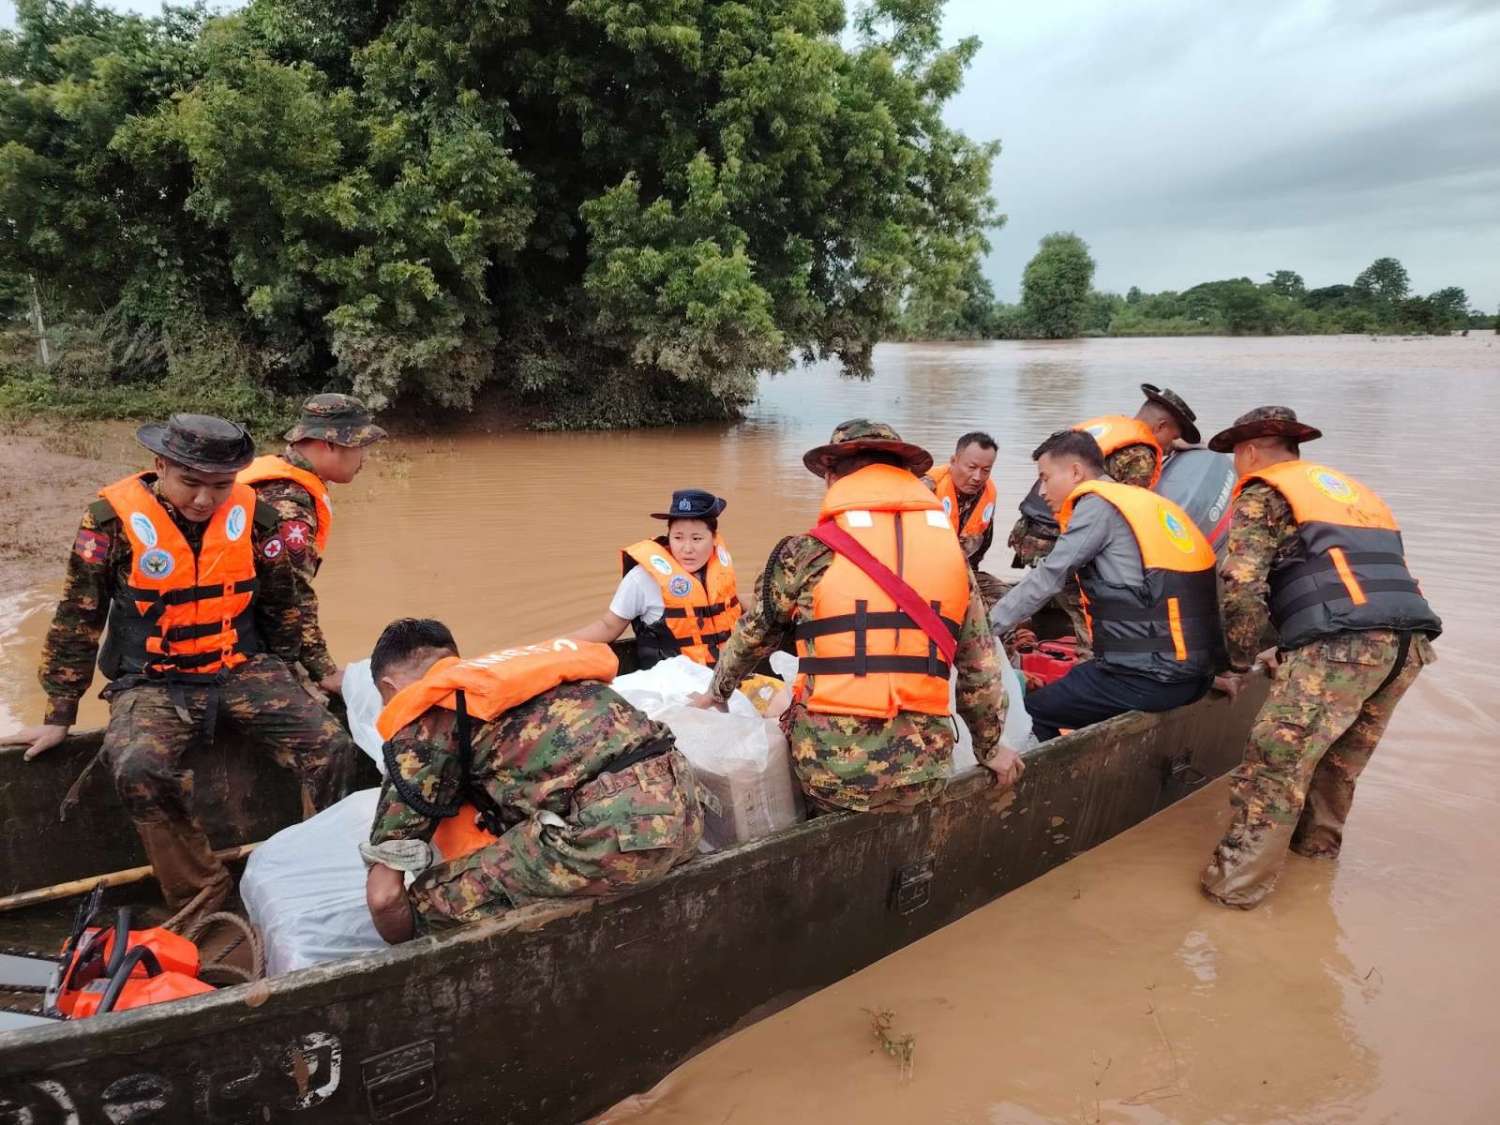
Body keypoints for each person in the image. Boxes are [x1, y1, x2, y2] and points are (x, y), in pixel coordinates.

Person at [0, 415, 353, 925]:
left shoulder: (259, 518)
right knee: (137, 767)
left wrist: (313, 673)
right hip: (152, 679)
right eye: (191, 482)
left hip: (240, 666)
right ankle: (201, 892)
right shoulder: (109, 521)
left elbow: (285, 606)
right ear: (160, 465)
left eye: (220, 485)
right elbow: (78, 617)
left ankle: (317, 865)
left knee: (331, 746)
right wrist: (59, 714)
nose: (205, 499)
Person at [687, 420, 1023, 813]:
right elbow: (981, 670)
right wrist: (988, 748)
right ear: (905, 478)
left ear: (831, 478)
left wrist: (717, 692)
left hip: (830, 774)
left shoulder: (804, 553)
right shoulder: (954, 558)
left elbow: (752, 636)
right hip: (923, 769)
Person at [1199, 407, 1441, 909]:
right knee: (1336, 767)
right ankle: (1314, 872)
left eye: (1235, 459)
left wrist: (1239, 661)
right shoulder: (1355, 495)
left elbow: (1241, 584)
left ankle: (1233, 895)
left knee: (1274, 769)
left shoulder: (1263, 491)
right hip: (1407, 648)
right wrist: (1288, 645)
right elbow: (1346, 579)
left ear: (1249, 451)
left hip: (1341, 650)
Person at [361, 619, 704, 942]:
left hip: (620, 838)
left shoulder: (424, 722)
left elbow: (384, 898)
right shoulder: (511, 675)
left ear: (390, 688)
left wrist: (400, 945)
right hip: (688, 809)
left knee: (425, 905)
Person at [990, 429, 1221, 742]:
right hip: (1196, 676)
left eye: (1045, 478)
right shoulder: (1148, 501)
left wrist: (984, 630)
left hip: (1148, 678)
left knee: (1031, 711)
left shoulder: (1097, 506)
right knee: (1077, 681)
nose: (1042, 491)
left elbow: (1048, 578)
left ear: (1075, 472)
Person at [1005, 385, 1200, 646]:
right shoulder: (1142, 455)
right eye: (1170, 437)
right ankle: (1090, 658)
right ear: (1161, 426)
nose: (1166, 448)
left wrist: (1172, 444)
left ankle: (1026, 628)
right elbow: (1128, 515)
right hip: (1057, 538)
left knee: (1049, 591)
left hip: (1030, 532)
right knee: (1091, 617)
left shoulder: (1110, 429)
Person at [238, 393, 387, 696]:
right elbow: (290, 593)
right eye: (359, 446)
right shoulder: (288, 502)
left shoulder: (274, 474)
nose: (364, 458)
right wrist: (324, 670)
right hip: (245, 646)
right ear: (329, 444)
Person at [570, 489, 740, 669]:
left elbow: (733, 602)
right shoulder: (642, 579)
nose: (687, 549)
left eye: (697, 538)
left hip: (727, 675)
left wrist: (762, 602)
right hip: (671, 681)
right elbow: (608, 627)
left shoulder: (719, 568)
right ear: (669, 536)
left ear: (713, 538)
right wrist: (554, 645)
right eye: (678, 537)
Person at [923, 432, 1005, 609]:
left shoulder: (987, 496)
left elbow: (981, 549)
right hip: (922, 575)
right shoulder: (924, 489)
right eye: (971, 467)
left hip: (963, 574)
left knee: (1010, 602)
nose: (977, 477)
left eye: (986, 470)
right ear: (954, 461)